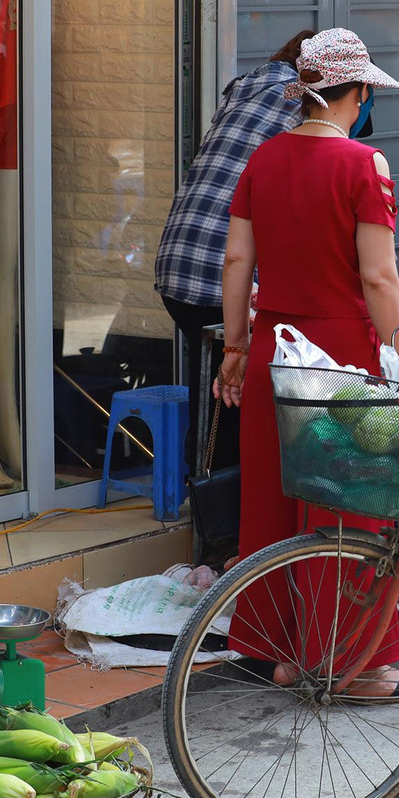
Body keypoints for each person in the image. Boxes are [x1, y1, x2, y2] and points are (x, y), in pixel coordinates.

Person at [214, 28, 399, 698]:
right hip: (340, 355)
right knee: (347, 513)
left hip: (272, 349)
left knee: (275, 505)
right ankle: (355, 666)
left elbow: (235, 262)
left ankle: (283, 654)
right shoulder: (366, 166)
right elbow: (379, 277)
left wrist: (234, 345)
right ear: (357, 93)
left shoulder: (263, 160)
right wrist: (398, 353)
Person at [156, 29, 310, 473]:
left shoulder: (244, 88)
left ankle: (196, 485)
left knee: (213, 388)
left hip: (176, 264)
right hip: (217, 275)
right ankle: (219, 510)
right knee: (234, 395)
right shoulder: (306, 106)